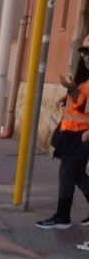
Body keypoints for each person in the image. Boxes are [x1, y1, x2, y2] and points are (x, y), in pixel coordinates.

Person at [36, 43, 89, 229]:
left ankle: (62, 217)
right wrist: (68, 95)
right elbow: (79, 102)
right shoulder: (84, 80)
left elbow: (85, 106)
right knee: (77, 175)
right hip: (72, 135)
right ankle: (62, 216)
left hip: (81, 137)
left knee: (68, 174)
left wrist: (72, 89)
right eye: (84, 55)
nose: (86, 59)